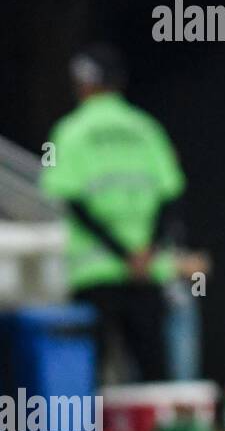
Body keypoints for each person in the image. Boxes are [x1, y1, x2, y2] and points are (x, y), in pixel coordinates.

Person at [40, 44, 186, 384]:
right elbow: (171, 195)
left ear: (83, 84)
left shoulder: (70, 130)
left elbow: (72, 202)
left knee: (88, 373)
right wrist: (144, 251)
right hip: (147, 270)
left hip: (96, 270)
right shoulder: (147, 129)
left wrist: (120, 253)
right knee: (155, 373)